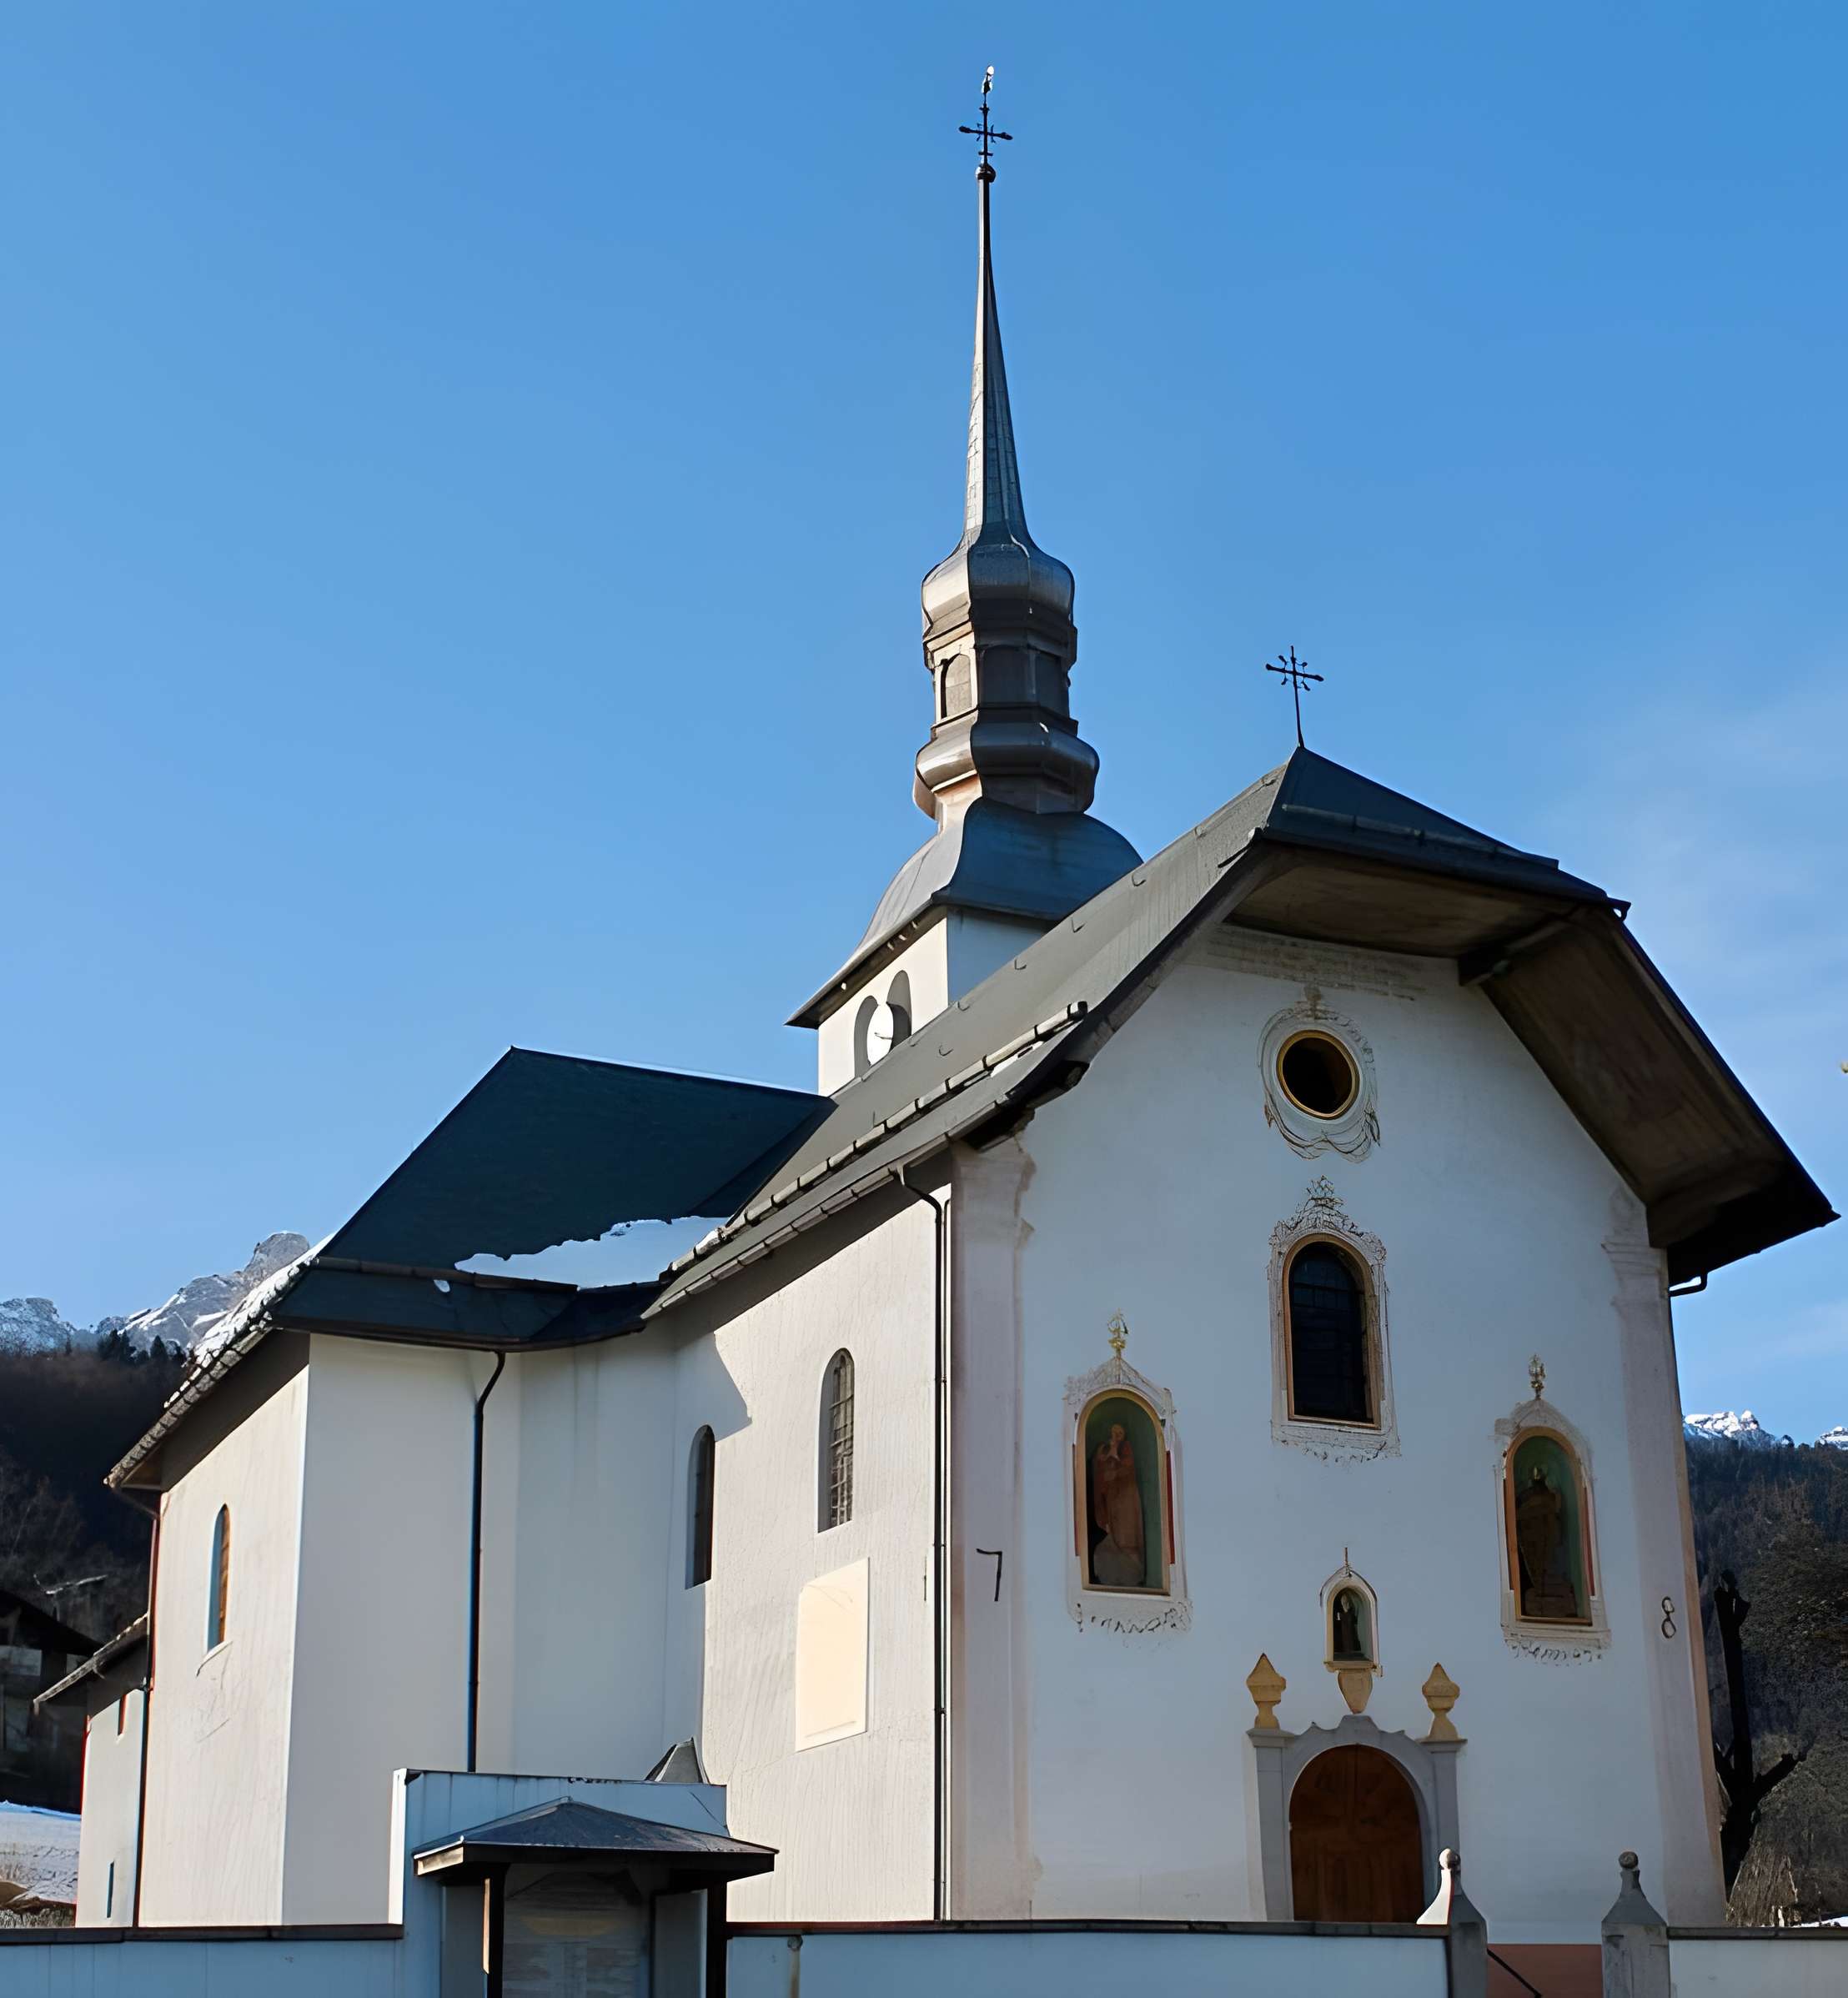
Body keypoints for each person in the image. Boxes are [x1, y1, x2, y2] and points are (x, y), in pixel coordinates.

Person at [1090, 1420, 1147, 1588]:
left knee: (1127, 1535)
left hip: (1127, 1497)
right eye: (1114, 1432)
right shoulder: (1105, 1449)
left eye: (1120, 1433)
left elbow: (1128, 1467)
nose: (1116, 1436)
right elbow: (1100, 1470)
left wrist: (1115, 1469)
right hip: (1112, 1497)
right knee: (1113, 1530)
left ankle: (1133, 1572)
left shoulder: (1125, 1449)